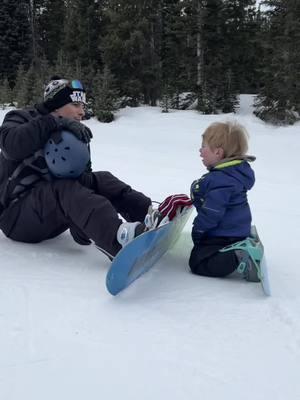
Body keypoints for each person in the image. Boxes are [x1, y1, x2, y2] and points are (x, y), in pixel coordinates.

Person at [0, 76, 190, 259]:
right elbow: (11, 146)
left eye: (83, 106)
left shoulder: (73, 132)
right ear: (55, 106)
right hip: (16, 218)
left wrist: (80, 219)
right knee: (64, 189)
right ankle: (118, 239)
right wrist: (54, 122)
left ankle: (149, 216)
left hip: (48, 214)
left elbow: (82, 177)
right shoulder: (20, 118)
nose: (82, 112)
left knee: (102, 180)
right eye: (75, 105)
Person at [189, 121, 258, 280]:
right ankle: (241, 246)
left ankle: (239, 257)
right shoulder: (234, 173)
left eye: (203, 147)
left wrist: (198, 230)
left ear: (218, 153)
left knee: (198, 262)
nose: (200, 151)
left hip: (223, 235)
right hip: (235, 231)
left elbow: (212, 213)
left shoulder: (221, 180)